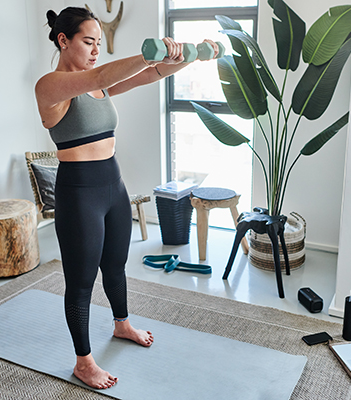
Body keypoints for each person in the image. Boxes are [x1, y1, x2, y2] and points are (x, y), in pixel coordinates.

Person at [34, 7, 218, 390]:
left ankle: (122, 325)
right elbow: (100, 74)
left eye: (99, 43)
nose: (96, 49)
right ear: (63, 40)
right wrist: (152, 52)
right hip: (80, 193)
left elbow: (147, 76)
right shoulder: (50, 85)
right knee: (81, 281)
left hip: (112, 185)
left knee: (115, 266)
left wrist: (186, 59)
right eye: (88, 41)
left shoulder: (98, 85)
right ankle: (83, 362)